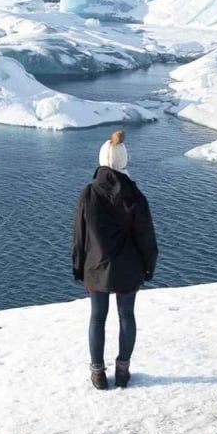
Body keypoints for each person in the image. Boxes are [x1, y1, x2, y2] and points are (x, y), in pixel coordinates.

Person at [72, 130, 158, 390]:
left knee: (97, 318)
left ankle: (97, 373)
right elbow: (146, 237)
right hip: (129, 267)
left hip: (95, 267)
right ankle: (123, 371)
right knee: (126, 316)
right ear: (124, 160)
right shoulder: (135, 195)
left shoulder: (89, 193)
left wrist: (79, 267)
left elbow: (79, 234)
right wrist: (148, 267)